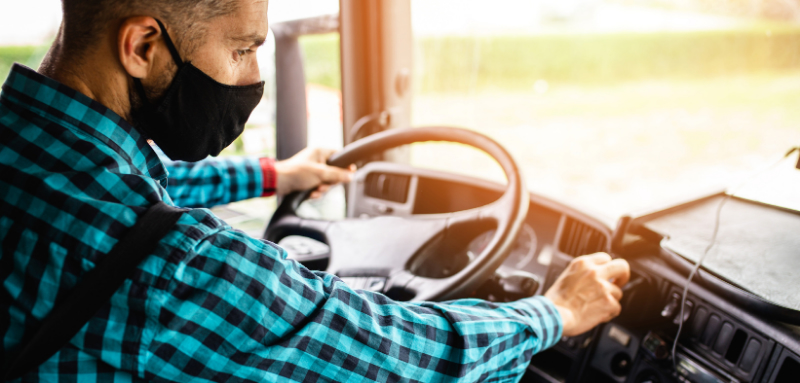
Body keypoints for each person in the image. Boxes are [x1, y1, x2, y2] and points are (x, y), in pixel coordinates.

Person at [0, 0, 630, 382]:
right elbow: (397, 358)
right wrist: (556, 312)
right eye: (244, 50)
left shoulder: (36, 160)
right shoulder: (169, 272)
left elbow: (138, 192)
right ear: (142, 45)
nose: (253, 77)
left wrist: (276, 175)